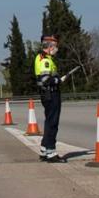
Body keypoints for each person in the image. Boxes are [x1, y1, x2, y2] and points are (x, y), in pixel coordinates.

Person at [35, 34, 63, 162]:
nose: (56, 49)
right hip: (51, 94)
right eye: (55, 46)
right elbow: (45, 79)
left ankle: (44, 149)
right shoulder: (45, 60)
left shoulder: (41, 58)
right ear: (50, 46)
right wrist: (58, 80)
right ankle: (51, 152)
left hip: (47, 94)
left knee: (49, 122)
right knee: (52, 123)